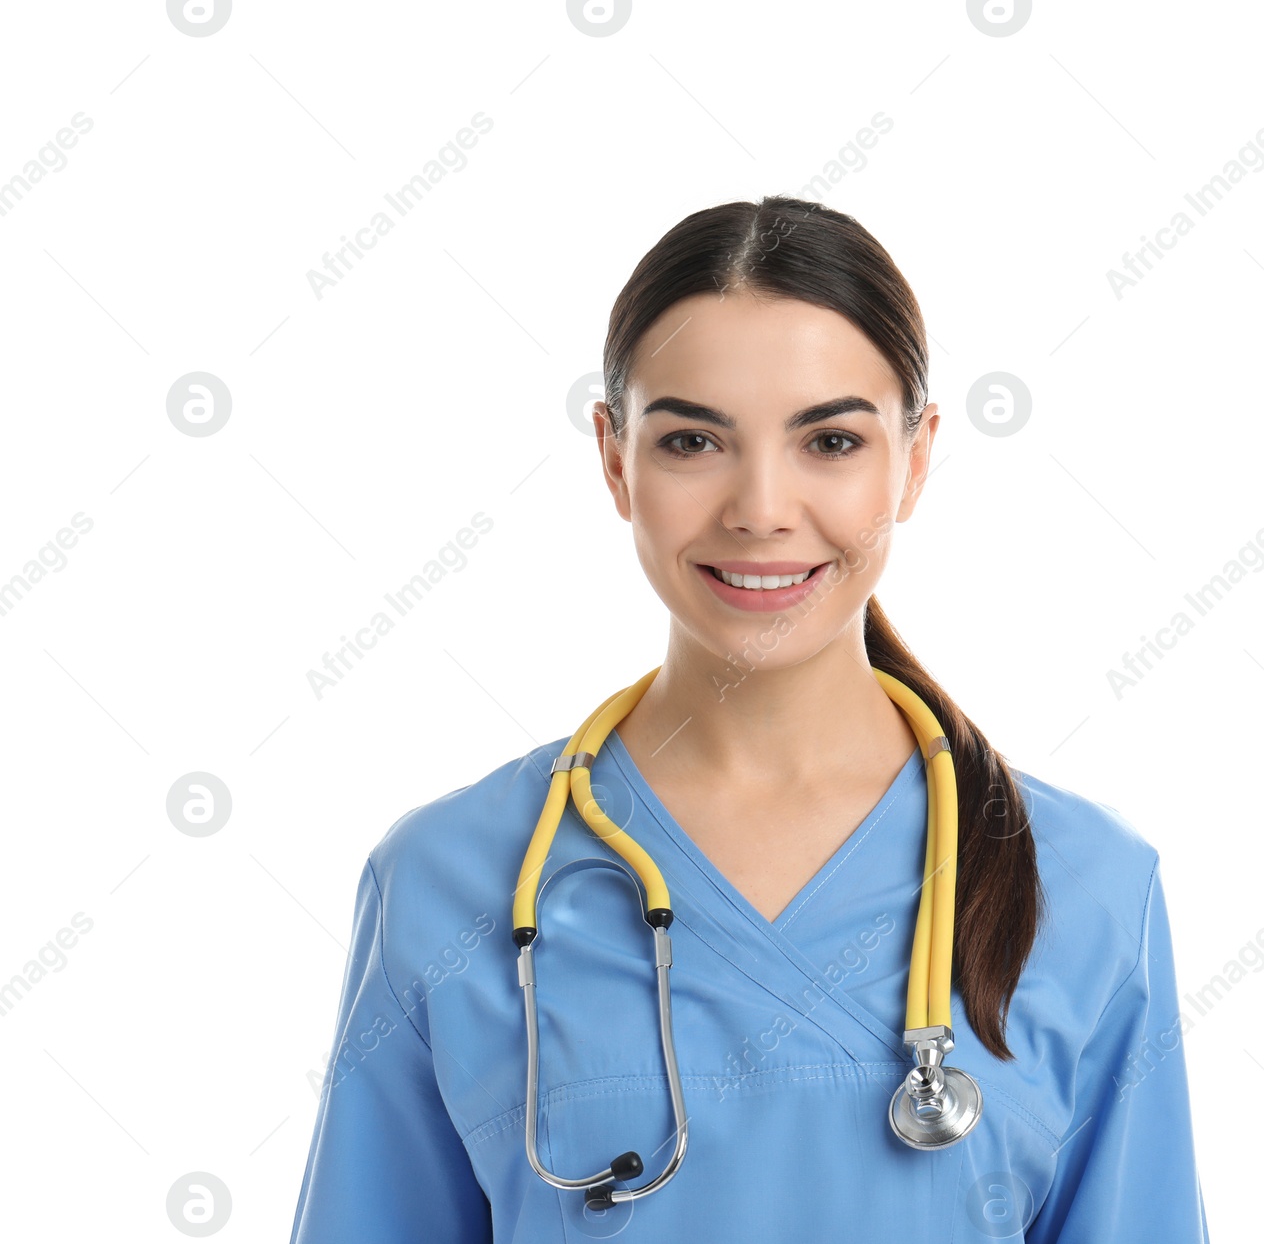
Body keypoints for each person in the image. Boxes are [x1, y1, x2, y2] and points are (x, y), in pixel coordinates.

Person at [289, 196, 1211, 1241]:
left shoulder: (1085, 884)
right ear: (612, 457)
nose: (761, 507)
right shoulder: (447, 880)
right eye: (691, 439)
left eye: (829, 439)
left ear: (913, 459)